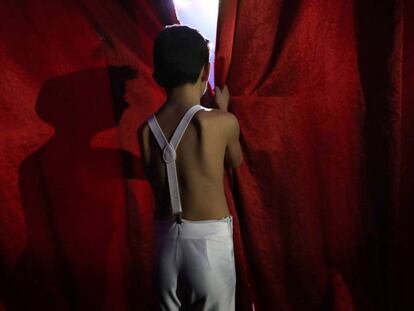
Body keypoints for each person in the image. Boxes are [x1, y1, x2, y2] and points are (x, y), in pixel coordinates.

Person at [138, 25, 243, 311]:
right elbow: (234, 162)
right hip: (209, 244)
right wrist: (221, 110)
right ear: (204, 71)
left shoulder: (145, 132)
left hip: (165, 248)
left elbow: (153, 179)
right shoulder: (221, 123)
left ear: (157, 75)